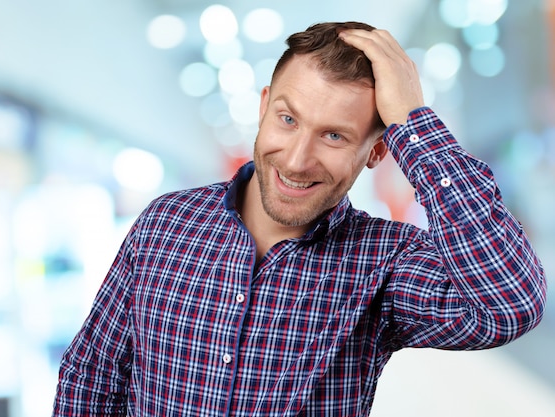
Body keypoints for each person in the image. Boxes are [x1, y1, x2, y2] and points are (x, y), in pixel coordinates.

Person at [53, 21, 547, 416]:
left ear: (376, 150)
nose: (295, 159)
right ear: (265, 106)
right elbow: (91, 376)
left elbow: (508, 306)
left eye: (334, 136)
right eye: (287, 120)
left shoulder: (385, 262)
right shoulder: (166, 223)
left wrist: (413, 125)